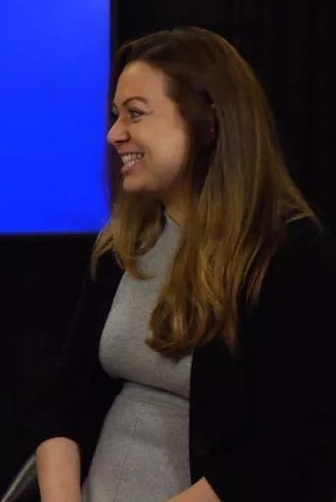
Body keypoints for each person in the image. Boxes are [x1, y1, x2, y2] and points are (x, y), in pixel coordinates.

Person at [32, 27, 336, 502]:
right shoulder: (122, 242)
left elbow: (292, 442)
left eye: (135, 113)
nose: (114, 134)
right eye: (115, 115)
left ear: (207, 122)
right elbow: (66, 397)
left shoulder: (286, 250)